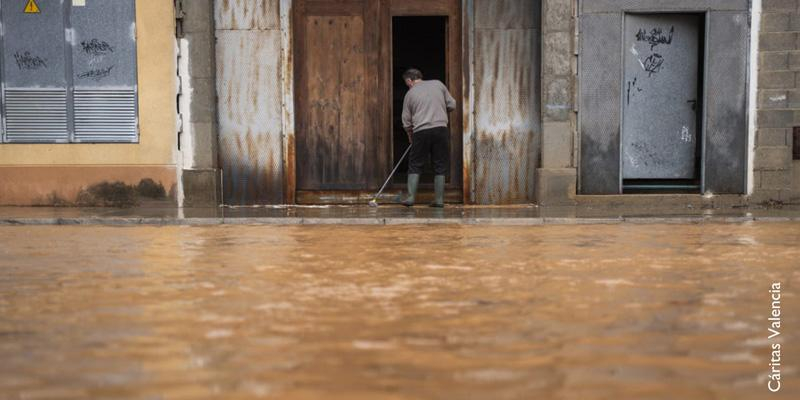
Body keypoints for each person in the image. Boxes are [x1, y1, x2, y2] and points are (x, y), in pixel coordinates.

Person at [399, 68, 456, 207]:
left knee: (415, 163)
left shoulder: (410, 93)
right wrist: (440, 109)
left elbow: (406, 120)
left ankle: (411, 198)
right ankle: (439, 200)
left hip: (421, 131)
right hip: (440, 129)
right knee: (440, 164)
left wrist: (410, 135)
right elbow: (452, 104)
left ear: (409, 81)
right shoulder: (438, 84)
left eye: (406, 83)